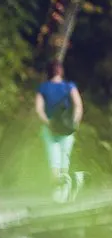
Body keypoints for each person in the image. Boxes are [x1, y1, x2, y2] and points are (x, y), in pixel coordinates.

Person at [35, 60, 83, 201]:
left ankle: (56, 194)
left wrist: (47, 122)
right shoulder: (69, 86)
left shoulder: (42, 88)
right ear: (60, 71)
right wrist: (74, 123)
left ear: (48, 73)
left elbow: (38, 110)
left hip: (50, 129)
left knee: (53, 161)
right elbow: (78, 105)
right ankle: (65, 192)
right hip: (67, 129)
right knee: (64, 159)